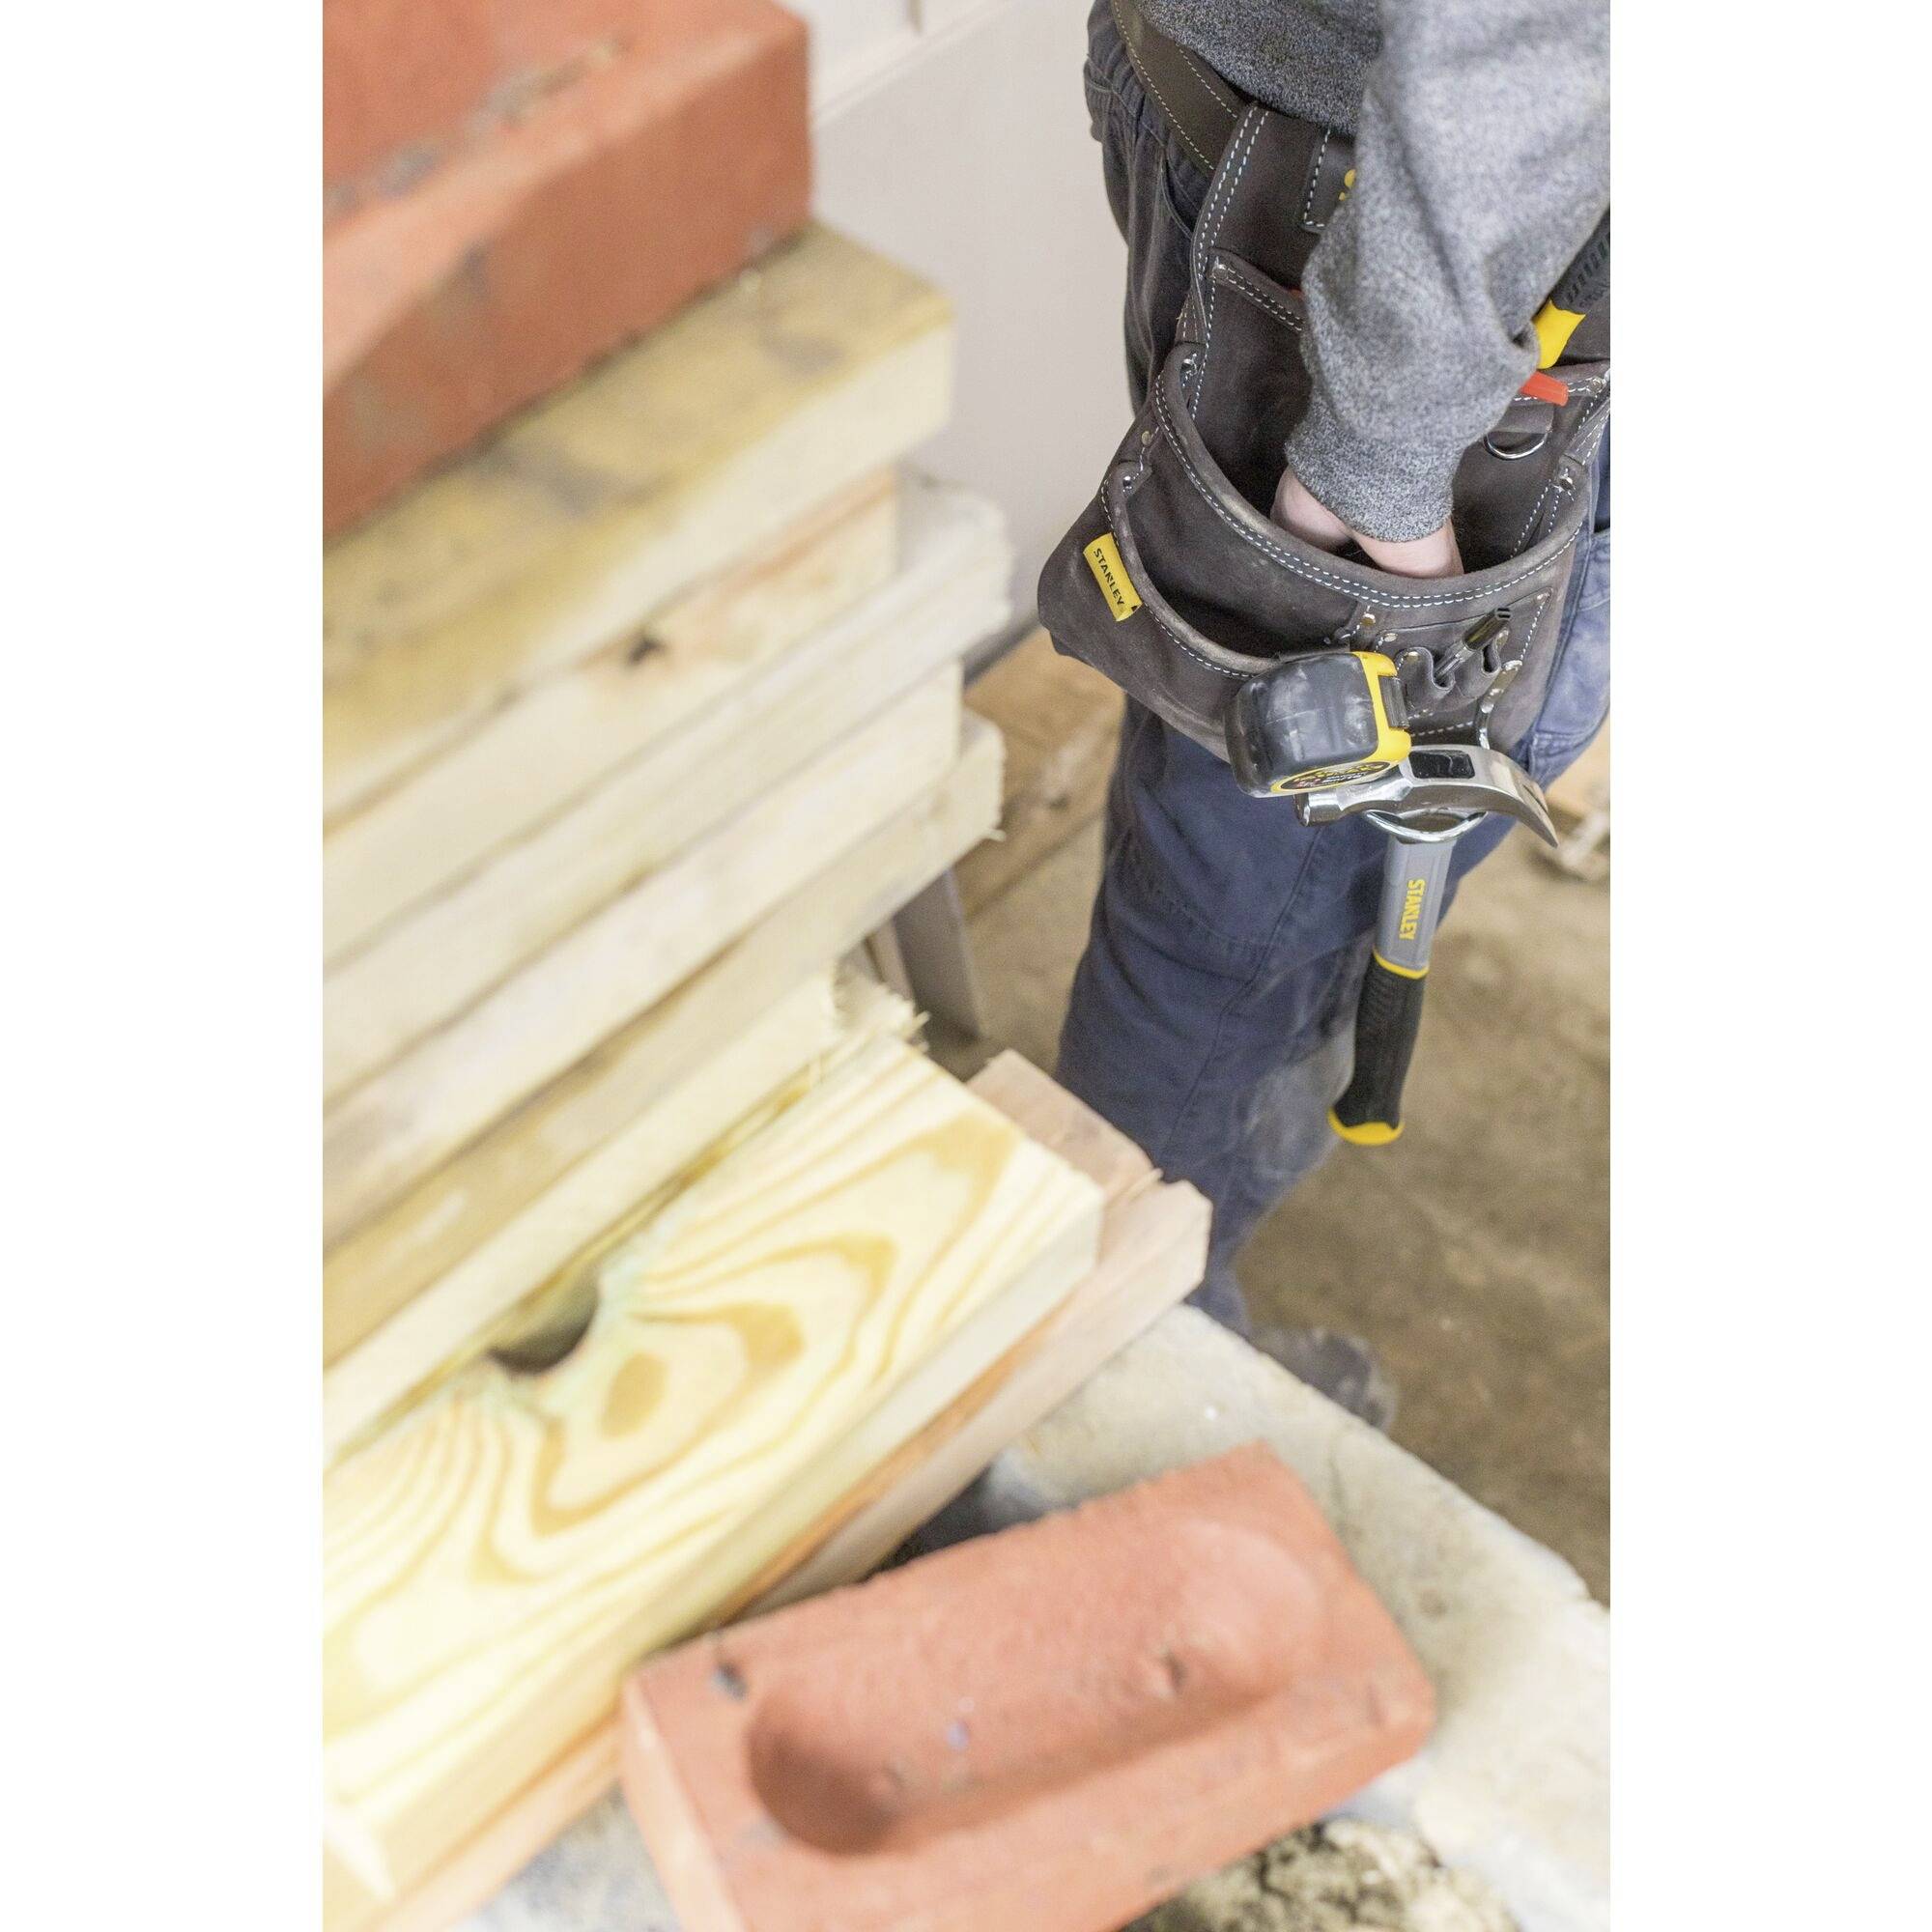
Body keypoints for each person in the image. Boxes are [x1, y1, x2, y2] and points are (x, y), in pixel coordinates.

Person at [1053, 0, 1610, 1424]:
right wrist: (1382, 447)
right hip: (1387, 240)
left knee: (1365, 842)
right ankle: (1125, 1377)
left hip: (1500, 232)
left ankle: (1154, 1319)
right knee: (1252, 895)